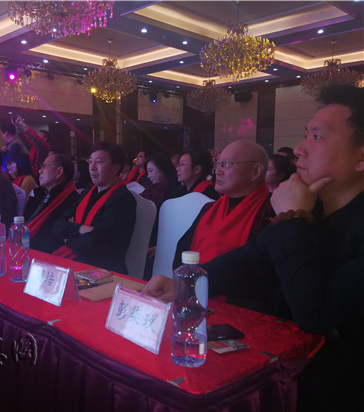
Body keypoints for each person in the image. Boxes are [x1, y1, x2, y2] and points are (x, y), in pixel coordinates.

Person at [142, 85, 364, 410]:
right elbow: (253, 257)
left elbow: (316, 313)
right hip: (280, 374)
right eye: (305, 135)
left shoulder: (307, 213)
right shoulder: (314, 208)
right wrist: (187, 282)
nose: (299, 149)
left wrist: (291, 219)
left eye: (318, 137)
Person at [172, 140, 272, 268]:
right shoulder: (209, 209)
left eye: (226, 164)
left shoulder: (270, 212)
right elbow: (183, 250)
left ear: (256, 171)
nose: (218, 171)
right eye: (218, 163)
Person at [52, 141, 136, 274]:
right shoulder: (88, 192)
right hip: (77, 262)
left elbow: (93, 242)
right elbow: (57, 225)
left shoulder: (123, 199)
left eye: (99, 162)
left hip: (104, 271)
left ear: (115, 168)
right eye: (90, 161)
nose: (92, 167)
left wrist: (68, 236)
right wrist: (80, 228)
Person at [24, 154, 80, 253]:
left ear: (59, 172)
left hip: (42, 252)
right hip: (27, 244)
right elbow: (25, 221)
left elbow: (55, 238)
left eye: (45, 166)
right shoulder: (38, 193)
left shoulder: (72, 199)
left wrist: (24, 242)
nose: (40, 171)